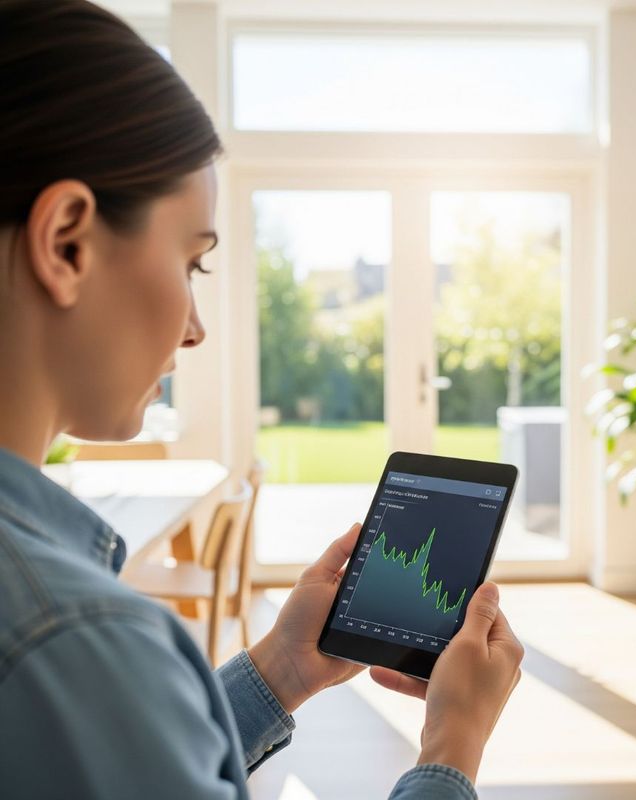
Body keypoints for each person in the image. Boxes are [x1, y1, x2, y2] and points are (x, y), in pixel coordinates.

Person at [0, 1, 524, 798]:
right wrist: (453, 746)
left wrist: (281, 666)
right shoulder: (75, 639)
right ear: (67, 240)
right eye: (192, 263)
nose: (196, 327)